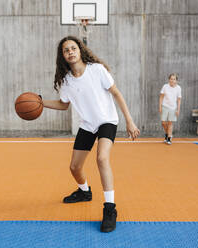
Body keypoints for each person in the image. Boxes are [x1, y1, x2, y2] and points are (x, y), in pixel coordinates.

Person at [42, 36, 140, 233]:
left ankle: (110, 208)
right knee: (74, 167)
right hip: (88, 124)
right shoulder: (66, 81)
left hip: (107, 120)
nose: (70, 51)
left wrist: (129, 120)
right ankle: (85, 192)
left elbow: (116, 93)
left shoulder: (96, 69)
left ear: (80, 50)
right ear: (63, 56)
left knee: (102, 158)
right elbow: (63, 105)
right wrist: (40, 102)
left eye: (73, 48)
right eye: (66, 50)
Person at [159, 73, 182, 145]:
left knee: (170, 123)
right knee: (163, 123)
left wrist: (178, 109)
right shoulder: (165, 86)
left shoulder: (178, 88)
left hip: (173, 108)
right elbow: (161, 97)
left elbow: (179, 100)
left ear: (176, 80)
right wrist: (160, 106)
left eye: (174, 79)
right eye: (171, 79)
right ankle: (167, 133)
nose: (172, 80)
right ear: (169, 79)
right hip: (165, 106)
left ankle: (169, 138)